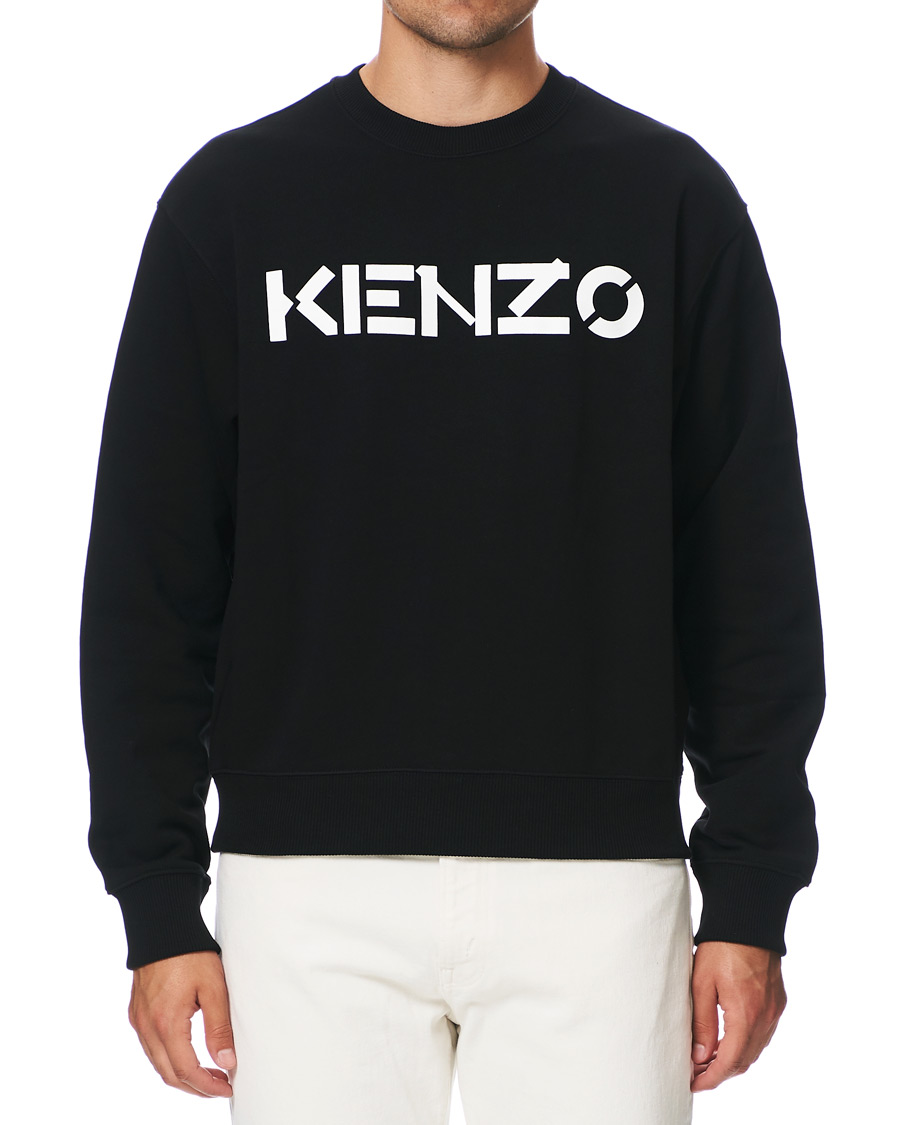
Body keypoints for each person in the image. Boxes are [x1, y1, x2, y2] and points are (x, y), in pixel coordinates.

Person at [78, 2, 826, 1122]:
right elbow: (150, 574)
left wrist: (752, 892)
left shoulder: (669, 199)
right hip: (305, 890)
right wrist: (156, 899)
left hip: (601, 891)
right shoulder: (235, 203)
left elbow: (749, 566)